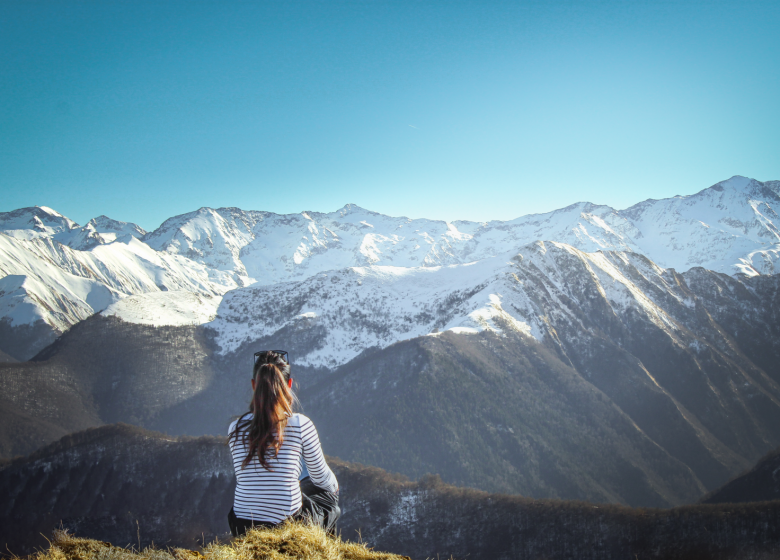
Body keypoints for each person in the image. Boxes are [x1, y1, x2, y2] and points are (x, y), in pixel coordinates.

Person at [227, 350, 340, 536]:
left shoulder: (235, 428)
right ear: (289, 384)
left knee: (301, 484)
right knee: (329, 501)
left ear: (254, 385)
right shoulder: (300, 424)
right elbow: (320, 478)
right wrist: (334, 487)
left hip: (241, 525)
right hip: (284, 524)